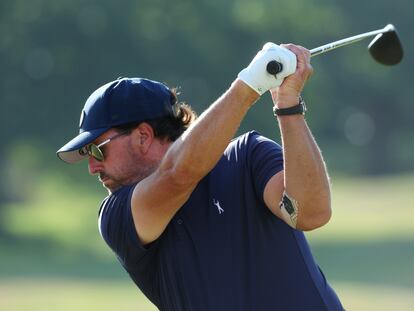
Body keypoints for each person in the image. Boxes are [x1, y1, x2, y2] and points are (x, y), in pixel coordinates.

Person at [57, 42, 344, 310]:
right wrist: (248, 84)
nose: (92, 167)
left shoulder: (248, 156)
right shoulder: (116, 215)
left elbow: (311, 214)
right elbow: (178, 174)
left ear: (143, 136)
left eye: (97, 150)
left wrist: (288, 105)